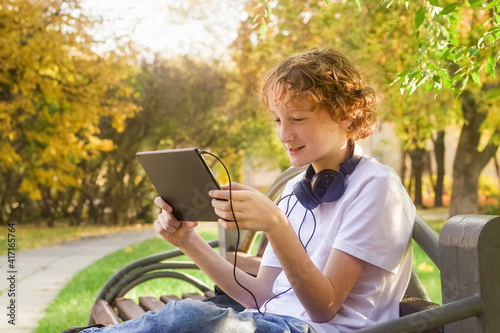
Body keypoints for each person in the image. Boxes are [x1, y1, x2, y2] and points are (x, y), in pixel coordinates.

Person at [74, 47, 415, 333]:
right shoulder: (299, 188)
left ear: (347, 114)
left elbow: (323, 307)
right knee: (194, 315)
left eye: (297, 119)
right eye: (277, 121)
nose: (284, 135)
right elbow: (259, 296)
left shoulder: (376, 187)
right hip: (270, 320)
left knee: (190, 316)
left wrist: (276, 225)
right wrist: (187, 242)